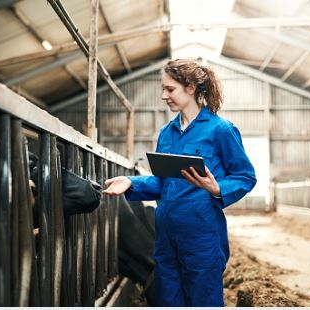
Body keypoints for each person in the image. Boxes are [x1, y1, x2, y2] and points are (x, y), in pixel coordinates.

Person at [103, 58, 257, 306]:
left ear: (191, 88)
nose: (164, 96)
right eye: (163, 89)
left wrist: (218, 188)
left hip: (202, 236)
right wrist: (131, 183)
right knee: (168, 301)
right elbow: (164, 184)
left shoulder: (221, 130)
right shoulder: (166, 133)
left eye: (170, 89)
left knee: (202, 301)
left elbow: (245, 176)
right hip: (165, 236)